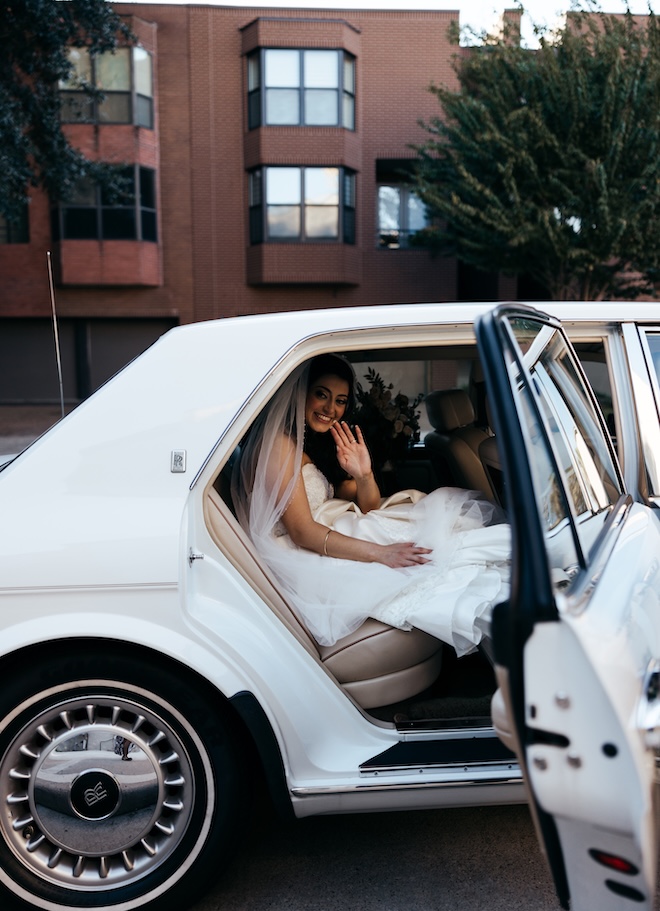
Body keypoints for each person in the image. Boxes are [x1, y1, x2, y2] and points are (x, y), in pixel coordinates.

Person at [232, 354, 510, 657]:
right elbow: (301, 532)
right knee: (429, 554)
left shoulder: (306, 444)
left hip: (328, 530)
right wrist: (380, 554)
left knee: (443, 535)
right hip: (300, 551)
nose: (330, 409)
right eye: (321, 394)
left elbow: (369, 505)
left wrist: (363, 474)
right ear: (301, 393)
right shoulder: (277, 446)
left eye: (340, 400)